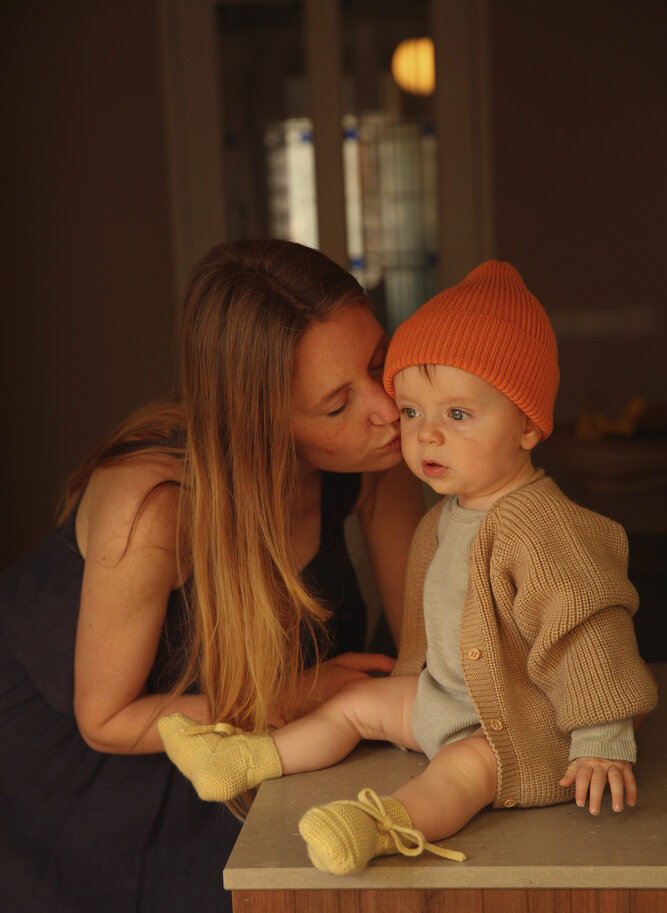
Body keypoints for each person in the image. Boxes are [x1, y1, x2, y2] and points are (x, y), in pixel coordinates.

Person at [0, 239, 425, 913]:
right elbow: (103, 718)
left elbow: (418, 657)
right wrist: (298, 694)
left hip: (226, 741)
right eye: (337, 404)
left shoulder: (372, 455)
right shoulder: (156, 503)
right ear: (264, 421)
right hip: (69, 755)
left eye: (377, 361)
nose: (386, 410)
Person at [159, 260, 658, 878]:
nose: (425, 437)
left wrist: (601, 741)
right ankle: (250, 759)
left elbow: (590, 633)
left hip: (523, 725)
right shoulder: (448, 516)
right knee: (355, 705)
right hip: (450, 701)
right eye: (414, 412)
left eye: (457, 415)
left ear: (528, 424)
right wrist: (410, 686)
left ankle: (382, 825)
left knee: (461, 772)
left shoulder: (545, 528)